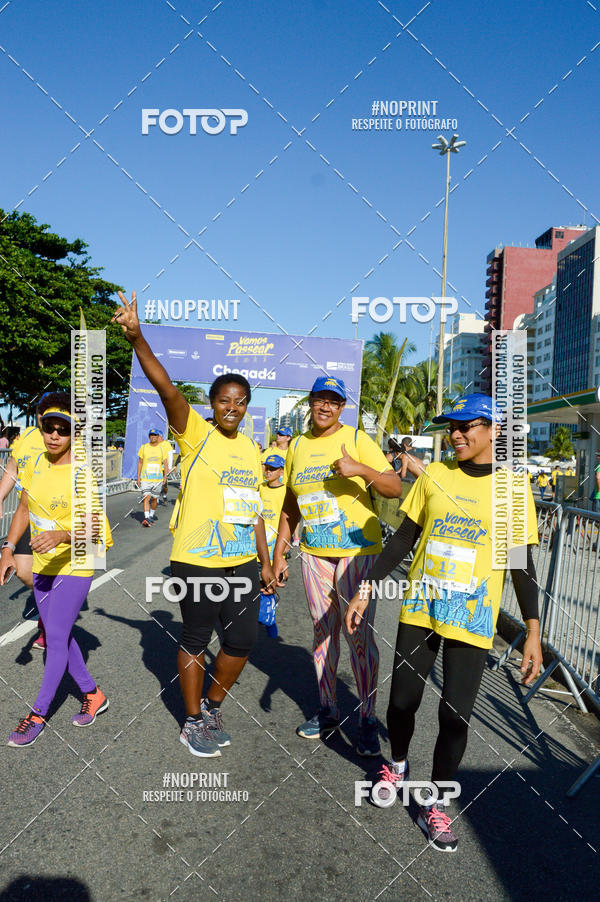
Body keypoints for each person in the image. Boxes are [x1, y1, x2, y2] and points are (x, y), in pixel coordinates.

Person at [345, 393, 542, 852]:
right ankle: (396, 764)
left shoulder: (513, 490)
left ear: (493, 430)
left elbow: (521, 565)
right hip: (421, 610)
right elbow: (402, 540)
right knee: (401, 704)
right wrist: (366, 585)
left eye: (465, 426)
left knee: (455, 716)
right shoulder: (433, 475)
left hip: (472, 621)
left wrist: (533, 631)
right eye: (450, 427)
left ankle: (435, 803)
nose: (454, 434)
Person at [113, 291, 276, 758]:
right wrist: (138, 337)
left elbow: (255, 510)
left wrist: (266, 562)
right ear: (212, 402)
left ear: (247, 406)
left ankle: (211, 704)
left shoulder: (250, 448)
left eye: (241, 402)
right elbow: (166, 387)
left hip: (243, 561)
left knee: (242, 641)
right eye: (225, 400)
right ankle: (190, 721)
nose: (233, 408)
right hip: (198, 561)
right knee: (196, 639)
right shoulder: (194, 432)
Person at [272, 375, 402, 755]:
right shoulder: (296, 445)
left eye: (334, 401)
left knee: (358, 636)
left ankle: (366, 717)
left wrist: (360, 469)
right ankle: (327, 709)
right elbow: (291, 505)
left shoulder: (359, 440)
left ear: (343, 407)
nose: (325, 407)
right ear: (309, 403)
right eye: (319, 400)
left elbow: (394, 487)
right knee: (322, 632)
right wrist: (280, 553)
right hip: (314, 553)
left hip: (357, 553)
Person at [0, 393, 112, 747]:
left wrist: (62, 534)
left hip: (76, 564)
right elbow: (22, 509)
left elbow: (97, 529)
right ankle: (94, 694)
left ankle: (37, 714)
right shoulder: (35, 464)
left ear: (74, 434)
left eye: (63, 430)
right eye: (49, 427)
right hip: (43, 566)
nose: (54, 435)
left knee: (58, 639)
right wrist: (7, 549)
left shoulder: (82, 473)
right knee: (59, 633)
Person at [0, 399, 49, 649]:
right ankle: (48, 603)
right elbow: (12, 469)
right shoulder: (27, 437)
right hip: (28, 515)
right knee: (23, 570)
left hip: (60, 521)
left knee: (58, 576)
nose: (45, 418)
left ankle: (50, 624)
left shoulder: (69, 438)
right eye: (42, 412)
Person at [258, 453, 287, 637]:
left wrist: (285, 548)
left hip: (276, 546)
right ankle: (257, 618)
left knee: (271, 586)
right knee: (257, 585)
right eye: (266, 467)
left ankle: (270, 620)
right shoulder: (259, 488)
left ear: (281, 471)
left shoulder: (286, 492)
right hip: (258, 545)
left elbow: (291, 521)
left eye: (273, 469)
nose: (268, 471)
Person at [136, 429, 169, 526]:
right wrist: (138, 477)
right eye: (151, 435)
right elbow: (140, 462)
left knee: (154, 499)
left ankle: (151, 515)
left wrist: (165, 477)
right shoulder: (144, 447)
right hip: (146, 478)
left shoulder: (162, 448)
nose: (153, 437)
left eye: (155, 435)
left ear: (158, 437)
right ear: (149, 437)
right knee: (146, 497)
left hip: (157, 479)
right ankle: (146, 518)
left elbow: (165, 464)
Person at [158, 431, 173, 504]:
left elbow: (170, 455)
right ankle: (156, 498)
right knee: (156, 482)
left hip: (165, 467)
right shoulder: (155, 444)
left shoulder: (167, 444)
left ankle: (164, 495)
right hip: (157, 467)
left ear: (161, 436)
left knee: (165, 484)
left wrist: (169, 467)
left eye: (158, 436)